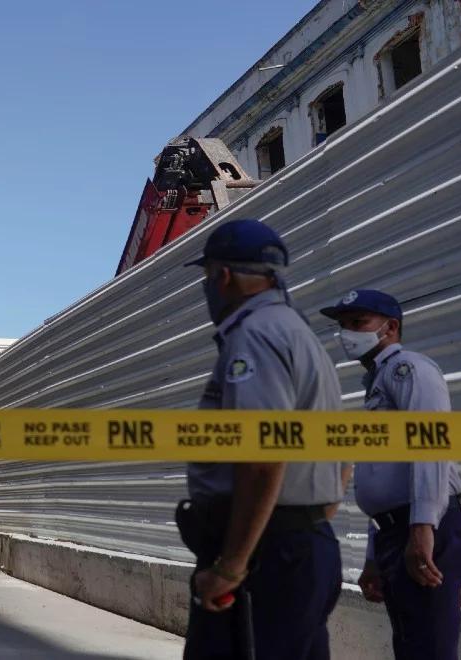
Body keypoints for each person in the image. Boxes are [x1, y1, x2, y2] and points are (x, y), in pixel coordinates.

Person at [177, 219, 345, 660]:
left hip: (265, 557)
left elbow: (261, 456)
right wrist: (314, 511)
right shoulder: (301, 335)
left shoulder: (253, 336)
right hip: (303, 543)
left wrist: (232, 565)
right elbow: (341, 445)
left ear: (223, 276)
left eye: (208, 277)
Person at [320, 289, 461, 659]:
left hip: (427, 528)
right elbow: (384, 479)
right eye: (342, 326)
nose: (347, 334)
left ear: (390, 327)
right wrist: (375, 556)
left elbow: (431, 445)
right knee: (411, 646)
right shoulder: (378, 384)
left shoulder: (410, 369)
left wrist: (422, 528)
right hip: (399, 530)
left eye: (358, 323)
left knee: (428, 651)